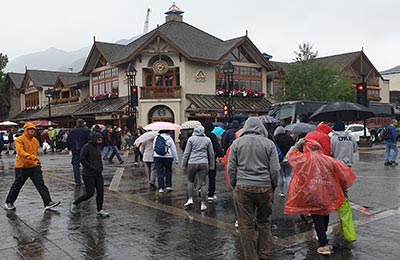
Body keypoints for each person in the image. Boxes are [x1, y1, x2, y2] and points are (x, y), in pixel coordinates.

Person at [284, 139, 356, 255]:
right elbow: (342, 177)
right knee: (324, 213)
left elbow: (290, 156)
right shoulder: (330, 161)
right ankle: (323, 235)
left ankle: (324, 244)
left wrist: (298, 144)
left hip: (311, 193)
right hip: (327, 193)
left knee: (317, 217)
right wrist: (343, 192)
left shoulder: (304, 159)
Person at [228, 117, 280, 260]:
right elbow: (275, 170)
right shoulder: (269, 144)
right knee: (264, 222)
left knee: (246, 225)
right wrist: (273, 186)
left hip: (243, 187)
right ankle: (264, 254)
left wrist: (234, 185)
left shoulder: (237, 143)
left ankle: (251, 256)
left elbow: (231, 167)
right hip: (264, 188)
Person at [4, 123, 60, 211]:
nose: (32, 131)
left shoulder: (35, 140)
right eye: (30, 129)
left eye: (33, 129)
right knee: (17, 185)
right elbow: (20, 152)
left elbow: (35, 153)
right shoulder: (19, 140)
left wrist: (37, 161)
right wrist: (32, 157)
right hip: (22, 167)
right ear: (26, 130)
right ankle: (9, 202)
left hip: (34, 166)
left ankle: (48, 202)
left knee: (40, 184)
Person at [69, 132, 110, 217]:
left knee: (100, 192)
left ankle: (99, 209)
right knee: (89, 194)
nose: (100, 141)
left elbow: (98, 159)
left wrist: (100, 168)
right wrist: (92, 167)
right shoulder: (86, 147)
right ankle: (75, 203)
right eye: (99, 139)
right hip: (88, 174)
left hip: (98, 174)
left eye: (101, 140)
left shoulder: (97, 147)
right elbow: (82, 159)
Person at [182, 125, 215, 211]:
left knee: (190, 181)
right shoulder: (207, 139)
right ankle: (203, 203)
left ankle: (190, 199)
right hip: (204, 162)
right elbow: (211, 154)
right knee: (203, 183)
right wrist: (212, 165)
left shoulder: (191, 139)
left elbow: (186, 153)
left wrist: (183, 164)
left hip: (192, 162)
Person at [202, 121, 223, 202]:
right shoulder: (212, 136)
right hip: (211, 158)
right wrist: (220, 155)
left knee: (202, 176)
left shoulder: (201, 136)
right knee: (211, 176)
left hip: (201, 158)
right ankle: (211, 193)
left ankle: (201, 191)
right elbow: (217, 147)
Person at [67, 118, 90, 186]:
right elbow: (90, 140)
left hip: (75, 149)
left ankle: (77, 181)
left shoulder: (72, 131)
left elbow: (68, 140)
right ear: (83, 123)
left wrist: (69, 148)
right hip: (85, 149)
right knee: (86, 165)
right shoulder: (87, 130)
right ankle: (87, 179)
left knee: (76, 165)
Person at [274, 126, 295, 197]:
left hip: (279, 159)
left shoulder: (275, 139)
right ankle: (290, 192)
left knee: (280, 176)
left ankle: (281, 192)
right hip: (288, 159)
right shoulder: (289, 138)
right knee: (288, 176)